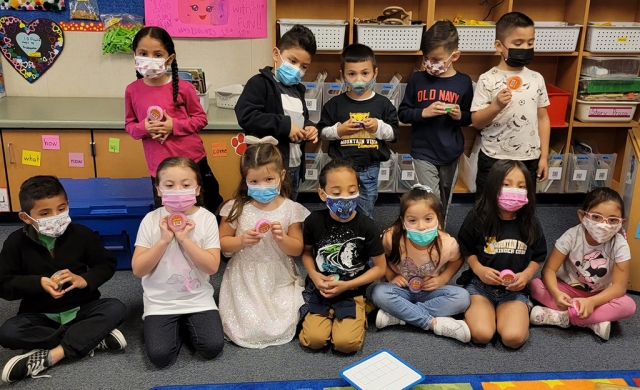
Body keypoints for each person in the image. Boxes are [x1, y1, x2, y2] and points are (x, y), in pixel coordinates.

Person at [0, 176, 126, 383]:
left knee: (116, 307)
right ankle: (91, 338)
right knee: (8, 332)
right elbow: (3, 284)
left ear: (67, 205)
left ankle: (52, 354)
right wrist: (37, 283)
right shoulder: (15, 243)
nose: (56, 217)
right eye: (45, 213)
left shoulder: (82, 234)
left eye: (61, 209)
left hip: (82, 309)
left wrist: (84, 279)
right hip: (40, 314)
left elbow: (106, 264)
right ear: (26, 217)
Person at [132, 157, 223, 368]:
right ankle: (174, 327)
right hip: (160, 302)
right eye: (170, 185)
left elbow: (212, 267)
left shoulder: (207, 218)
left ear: (198, 189)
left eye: (186, 184)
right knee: (160, 356)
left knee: (211, 348)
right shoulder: (151, 220)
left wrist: (184, 239)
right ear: (159, 189)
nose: (178, 190)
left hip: (198, 298)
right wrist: (164, 240)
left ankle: (184, 324)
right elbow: (138, 269)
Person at [218, 139, 309, 348]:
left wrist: (283, 239)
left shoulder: (290, 208)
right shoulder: (236, 208)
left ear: (282, 176)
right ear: (245, 180)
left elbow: (297, 248)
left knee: (283, 316)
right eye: (255, 181)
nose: (262, 186)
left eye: (269, 179)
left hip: (278, 276)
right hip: (245, 276)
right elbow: (222, 243)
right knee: (248, 324)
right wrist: (240, 241)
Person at [125, 26, 223, 214]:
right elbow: (130, 126)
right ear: (135, 55)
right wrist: (144, 128)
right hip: (160, 169)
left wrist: (173, 126)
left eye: (157, 54)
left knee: (204, 210)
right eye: (143, 53)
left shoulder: (184, 88)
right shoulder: (132, 90)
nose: (149, 59)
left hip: (192, 161)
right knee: (168, 214)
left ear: (169, 58)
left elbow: (201, 119)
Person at [299, 158, 386, 353]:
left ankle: (362, 309)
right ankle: (326, 316)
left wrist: (347, 285)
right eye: (337, 193)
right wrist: (314, 275)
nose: (345, 198)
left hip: (352, 292)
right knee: (313, 340)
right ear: (322, 193)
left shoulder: (367, 226)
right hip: (321, 290)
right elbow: (306, 253)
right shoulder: (313, 221)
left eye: (352, 191)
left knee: (345, 345)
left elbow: (381, 267)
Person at [456, 160, 547, 348]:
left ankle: (518, 310)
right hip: (480, 287)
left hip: (514, 291)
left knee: (513, 339)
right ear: (493, 186)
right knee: (481, 334)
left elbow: (538, 255)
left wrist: (527, 275)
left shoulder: (530, 222)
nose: (514, 190)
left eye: (521, 186)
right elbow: (466, 248)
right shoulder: (477, 217)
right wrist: (479, 269)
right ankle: (484, 313)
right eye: (506, 184)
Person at [529, 187, 636, 340]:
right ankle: (592, 322)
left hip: (599, 295)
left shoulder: (620, 245)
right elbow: (548, 271)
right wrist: (557, 293)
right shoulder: (571, 236)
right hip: (568, 290)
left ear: (621, 223)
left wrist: (592, 301)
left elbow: (619, 287)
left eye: (612, 220)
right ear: (582, 216)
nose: (604, 224)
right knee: (535, 286)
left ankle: (564, 318)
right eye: (596, 217)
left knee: (628, 305)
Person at [370, 184, 471, 343]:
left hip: (429, 291)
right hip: (400, 289)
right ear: (403, 222)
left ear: (438, 218)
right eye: (412, 220)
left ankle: (399, 316)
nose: (421, 226)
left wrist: (443, 279)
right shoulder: (391, 237)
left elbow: (458, 259)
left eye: (428, 219)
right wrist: (390, 275)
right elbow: (378, 255)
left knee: (463, 297)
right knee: (379, 292)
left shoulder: (447, 243)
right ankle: (432, 323)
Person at [235, 24, 320, 200]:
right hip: (266, 171)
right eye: (292, 61)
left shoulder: (298, 91)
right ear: (276, 54)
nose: (297, 69)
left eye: (304, 66)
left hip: (293, 166)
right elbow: (246, 115)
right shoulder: (259, 84)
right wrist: (285, 126)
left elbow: (302, 119)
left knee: (288, 213)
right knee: (265, 212)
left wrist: (310, 127)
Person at [398, 20, 473, 220]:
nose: (430, 63)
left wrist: (459, 116)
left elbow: (469, 118)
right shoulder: (417, 80)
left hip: (451, 151)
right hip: (423, 151)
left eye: (437, 59)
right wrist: (424, 113)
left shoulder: (463, 82)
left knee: (444, 201)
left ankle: (440, 235)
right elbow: (403, 113)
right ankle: (429, 236)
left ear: (454, 56)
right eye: (426, 58)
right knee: (431, 199)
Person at [470, 12, 551, 196]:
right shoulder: (488, 79)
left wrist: (544, 157)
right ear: (499, 45)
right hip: (494, 158)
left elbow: (543, 118)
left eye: (530, 43)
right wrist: (496, 105)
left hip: (528, 158)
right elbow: (477, 122)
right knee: (487, 208)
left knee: (523, 207)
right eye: (518, 43)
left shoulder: (536, 78)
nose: (525, 47)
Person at [317, 43, 398, 218]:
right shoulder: (334, 104)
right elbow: (322, 132)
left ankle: (362, 237)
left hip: (369, 168)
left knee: (366, 208)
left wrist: (378, 127)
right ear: (342, 75)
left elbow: (393, 134)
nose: (358, 79)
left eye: (365, 73)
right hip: (340, 169)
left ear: (375, 73)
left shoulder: (383, 104)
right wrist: (339, 130)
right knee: (340, 208)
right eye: (352, 74)